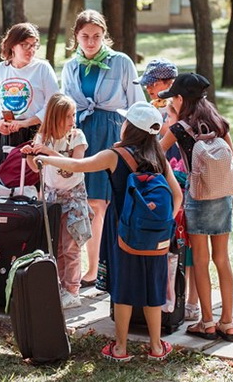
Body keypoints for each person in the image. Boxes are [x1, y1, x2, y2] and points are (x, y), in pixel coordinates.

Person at [38, 102, 183, 361]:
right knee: (153, 289)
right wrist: (162, 224)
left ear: (131, 127)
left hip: (122, 233)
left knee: (123, 290)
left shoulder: (114, 155)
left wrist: (45, 157)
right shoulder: (159, 156)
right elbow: (177, 196)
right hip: (156, 237)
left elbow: (77, 166)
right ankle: (156, 347)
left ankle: (120, 348)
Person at [159, 73, 233, 343]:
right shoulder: (218, 123)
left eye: (173, 99)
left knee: (200, 262)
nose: (171, 104)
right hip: (223, 196)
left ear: (180, 99)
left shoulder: (179, 129)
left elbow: (155, 153)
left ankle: (208, 322)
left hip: (198, 198)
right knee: (222, 260)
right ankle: (229, 323)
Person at [61, 10, 144, 288]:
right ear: (76, 36)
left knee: (99, 203)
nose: (90, 42)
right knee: (80, 201)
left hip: (110, 132)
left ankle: (96, 269)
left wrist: (134, 141)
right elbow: (65, 104)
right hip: (80, 134)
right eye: (85, 36)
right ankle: (83, 265)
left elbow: (136, 103)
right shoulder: (70, 66)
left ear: (104, 35)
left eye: (96, 36)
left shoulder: (121, 62)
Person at [137, 58, 201, 321]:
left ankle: (192, 301)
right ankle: (171, 296)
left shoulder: (185, 110)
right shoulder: (156, 107)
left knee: (190, 243)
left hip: (186, 181)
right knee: (171, 243)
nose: (148, 89)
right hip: (164, 180)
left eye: (152, 84)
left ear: (168, 83)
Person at [22, 93, 92, 309]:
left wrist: (49, 152)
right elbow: (36, 168)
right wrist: (31, 154)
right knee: (57, 246)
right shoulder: (42, 137)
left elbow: (76, 166)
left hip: (73, 197)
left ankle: (73, 290)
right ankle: (61, 287)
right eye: (68, 116)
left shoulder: (77, 136)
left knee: (71, 246)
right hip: (52, 198)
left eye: (74, 115)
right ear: (55, 117)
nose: (72, 120)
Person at [0, 22, 59, 165]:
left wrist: (25, 123)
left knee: (32, 176)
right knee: (5, 175)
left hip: (35, 133)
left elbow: (53, 104)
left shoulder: (42, 68)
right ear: (12, 45)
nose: (31, 50)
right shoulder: (0, 69)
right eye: (25, 45)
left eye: (34, 45)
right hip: (5, 133)